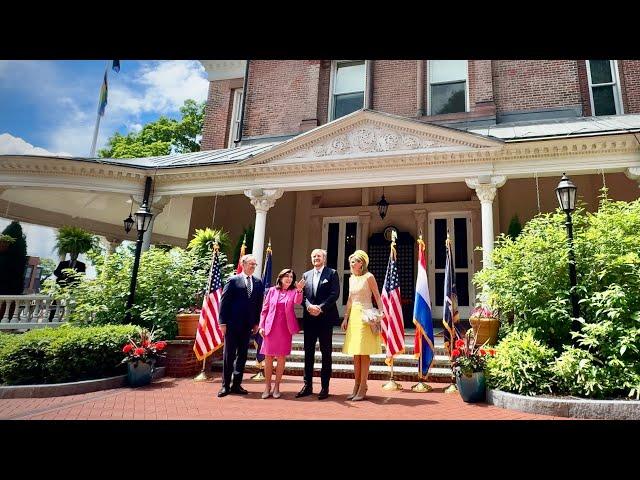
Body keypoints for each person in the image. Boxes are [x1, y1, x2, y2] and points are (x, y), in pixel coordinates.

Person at [217, 254, 265, 397]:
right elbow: (224, 303)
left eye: (255, 265)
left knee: (242, 356)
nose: (253, 267)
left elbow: (258, 305)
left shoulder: (257, 282)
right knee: (229, 355)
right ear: (242, 264)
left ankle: (237, 384)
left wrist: (256, 323)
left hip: (247, 326)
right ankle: (225, 386)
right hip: (231, 325)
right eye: (251, 264)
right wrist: (223, 322)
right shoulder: (233, 280)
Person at [297, 248, 340, 400]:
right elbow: (300, 294)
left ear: (324, 259)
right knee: (308, 353)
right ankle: (307, 385)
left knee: (326, 353)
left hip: (325, 319)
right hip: (309, 319)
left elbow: (335, 294)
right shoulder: (305, 275)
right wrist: (309, 306)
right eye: (314, 256)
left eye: (319, 256)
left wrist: (320, 308)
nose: (316, 258)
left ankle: (324, 387)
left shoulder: (332, 273)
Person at [341, 250, 383, 401]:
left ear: (362, 263)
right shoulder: (351, 278)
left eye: (355, 261)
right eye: (351, 261)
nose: (352, 263)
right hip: (354, 317)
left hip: (366, 316)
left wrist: (381, 314)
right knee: (355, 352)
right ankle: (356, 385)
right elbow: (350, 299)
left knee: (363, 352)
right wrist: (345, 318)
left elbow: (377, 296)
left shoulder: (369, 276)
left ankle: (363, 386)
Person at [258, 269, 305, 399]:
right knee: (268, 358)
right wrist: (261, 326)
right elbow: (264, 309)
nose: (289, 278)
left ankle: (277, 386)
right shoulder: (272, 290)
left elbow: (298, 301)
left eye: (291, 277)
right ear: (280, 278)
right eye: (286, 276)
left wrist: (300, 290)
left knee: (281, 358)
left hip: (285, 329)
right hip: (270, 328)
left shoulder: (294, 291)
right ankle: (267, 386)